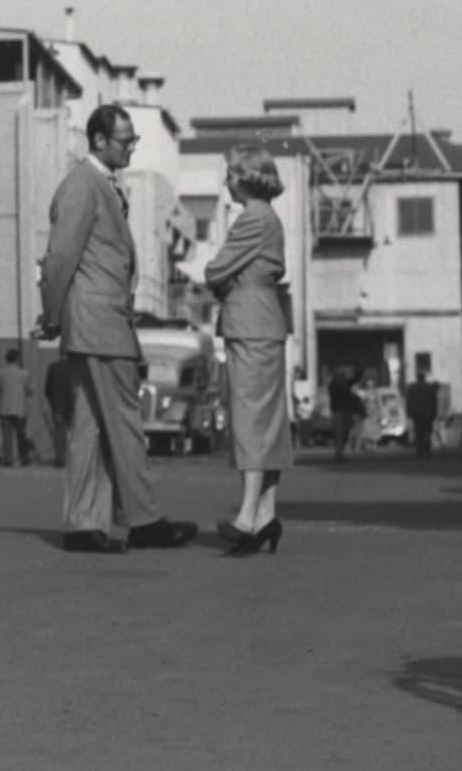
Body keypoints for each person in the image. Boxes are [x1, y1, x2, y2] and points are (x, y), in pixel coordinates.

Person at [40, 105, 196, 554]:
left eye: (133, 139)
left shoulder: (96, 185)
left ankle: (83, 524)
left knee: (89, 426)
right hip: (101, 323)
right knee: (125, 423)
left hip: (94, 322)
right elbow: (60, 259)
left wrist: (56, 316)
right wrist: (53, 315)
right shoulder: (83, 186)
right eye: (125, 140)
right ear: (99, 141)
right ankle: (144, 519)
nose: (131, 146)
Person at [202, 147, 294, 556]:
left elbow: (215, 270)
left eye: (231, 175)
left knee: (249, 418)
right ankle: (265, 514)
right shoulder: (270, 218)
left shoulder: (251, 218)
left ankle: (247, 514)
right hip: (266, 322)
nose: (226, 182)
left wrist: (227, 280)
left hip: (249, 323)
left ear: (246, 178)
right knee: (267, 419)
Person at [0, 347, 33, 467]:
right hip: (19, 408)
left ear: (6, 359)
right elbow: (30, 391)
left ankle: (8, 458)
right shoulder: (24, 373)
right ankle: (24, 457)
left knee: (6, 436)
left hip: (4, 408)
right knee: (21, 434)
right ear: (17, 359)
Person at [329, 368, 366, 464]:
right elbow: (352, 380)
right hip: (337, 412)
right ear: (336, 377)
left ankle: (340, 452)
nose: (343, 377)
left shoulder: (346, 384)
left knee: (345, 433)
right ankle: (338, 453)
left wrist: (360, 368)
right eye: (340, 375)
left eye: (343, 376)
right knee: (339, 433)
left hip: (346, 411)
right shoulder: (333, 386)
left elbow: (355, 378)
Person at [406, 364, 443, 458]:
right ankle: (426, 450)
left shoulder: (412, 388)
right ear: (424, 378)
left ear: (417, 378)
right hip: (428, 414)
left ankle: (419, 451)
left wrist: (409, 412)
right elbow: (434, 402)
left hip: (417, 415)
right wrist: (434, 413)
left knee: (419, 432)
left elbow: (409, 402)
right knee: (427, 432)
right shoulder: (429, 388)